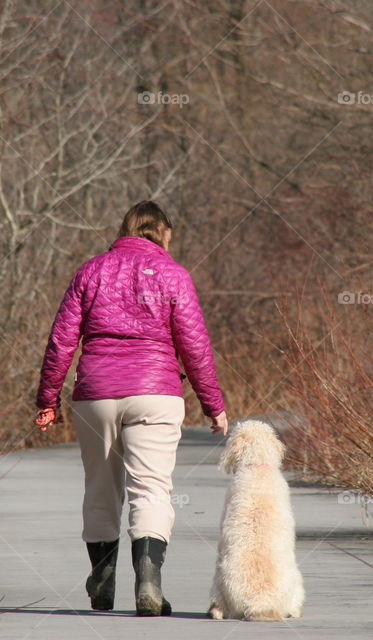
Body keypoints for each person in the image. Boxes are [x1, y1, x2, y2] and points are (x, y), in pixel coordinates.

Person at [34, 200, 228, 616]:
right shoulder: (174, 276)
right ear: (164, 234)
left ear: (125, 229)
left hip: (96, 394)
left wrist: (48, 399)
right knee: (151, 488)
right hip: (156, 393)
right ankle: (149, 582)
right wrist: (213, 404)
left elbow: (61, 340)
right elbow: (194, 346)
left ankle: (102, 579)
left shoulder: (91, 270)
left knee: (101, 488)